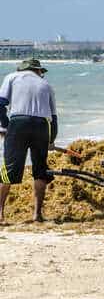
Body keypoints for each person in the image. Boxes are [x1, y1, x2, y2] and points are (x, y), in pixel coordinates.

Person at [0, 59, 58, 223]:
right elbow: (53, 117)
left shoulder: (12, 77)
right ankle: (37, 215)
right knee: (40, 170)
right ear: (38, 70)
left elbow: (0, 104)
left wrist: (5, 126)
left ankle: (0, 215)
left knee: (9, 169)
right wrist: (51, 139)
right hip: (42, 125)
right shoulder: (46, 85)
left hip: (18, 122)